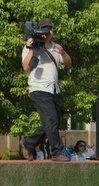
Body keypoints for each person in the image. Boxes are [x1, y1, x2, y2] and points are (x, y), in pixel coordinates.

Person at [20, 18, 72, 162]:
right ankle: (57, 152)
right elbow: (25, 67)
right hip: (39, 88)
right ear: (39, 30)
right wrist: (31, 49)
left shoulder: (55, 47)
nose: (48, 31)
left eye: (50, 29)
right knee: (51, 121)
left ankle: (28, 143)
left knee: (52, 123)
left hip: (54, 90)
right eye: (45, 29)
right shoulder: (31, 46)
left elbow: (68, 62)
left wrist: (62, 53)